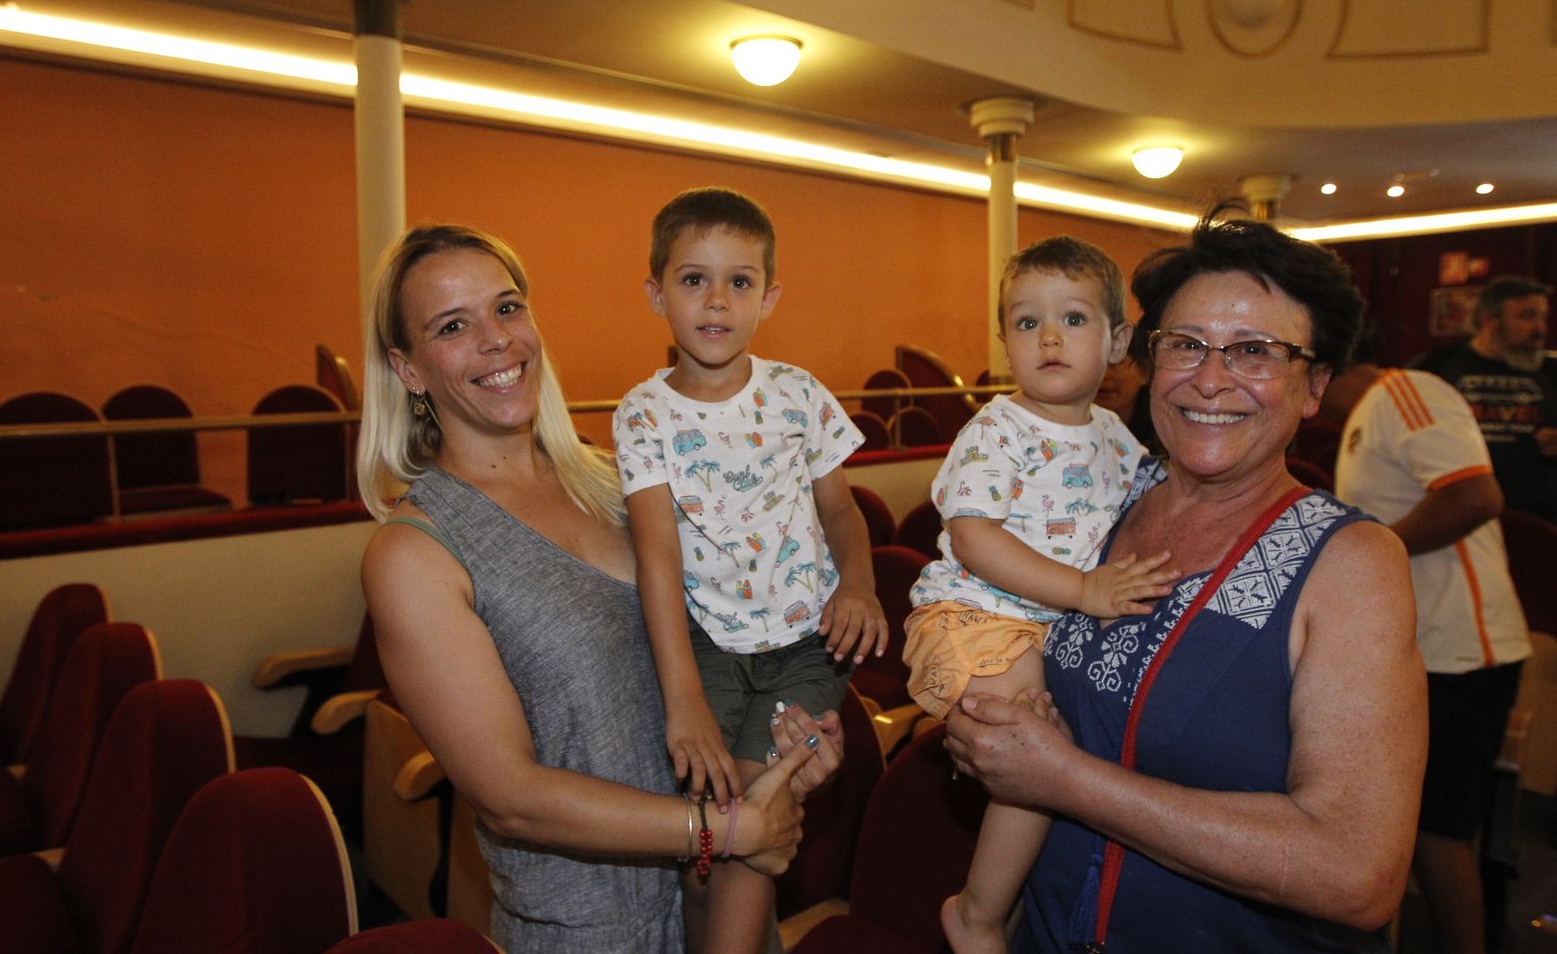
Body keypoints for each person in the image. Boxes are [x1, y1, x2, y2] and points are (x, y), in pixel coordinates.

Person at [945, 211, 1428, 953]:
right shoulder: (1102, 496)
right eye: (1186, 344)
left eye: (1256, 351)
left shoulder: (1350, 562)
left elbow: (1356, 871)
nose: (1209, 377)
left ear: (1314, 385)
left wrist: (1063, 778)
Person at [357, 224, 834, 954]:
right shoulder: (415, 552)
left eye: (507, 307)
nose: (496, 339)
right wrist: (730, 829)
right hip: (596, 931)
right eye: (453, 326)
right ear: (408, 368)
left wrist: (790, 745)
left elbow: (743, 635)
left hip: (724, 896)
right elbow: (510, 798)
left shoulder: (619, 478)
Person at [612, 187, 888, 954]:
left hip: (805, 642)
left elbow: (841, 512)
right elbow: (657, 558)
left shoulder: (798, 394)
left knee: (748, 815)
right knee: (719, 836)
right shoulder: (641, 413)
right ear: (655, 292)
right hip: (707, 646)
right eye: (693, 278)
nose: (717, 300)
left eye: (740, 281)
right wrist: (683, 700)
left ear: (768, 297)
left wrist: (859, 584)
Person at [900, 236, 1177, 954]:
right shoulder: (998, 428)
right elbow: (974, 538)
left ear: (1119, 340)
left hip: (1047, 626)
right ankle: (978, 913)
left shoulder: (1117, 438)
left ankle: (1017, 908)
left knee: (1061, 749)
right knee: (1032, 738)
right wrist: (1086, 589)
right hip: (975, 614)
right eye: (1027, 323)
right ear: (1005, 340)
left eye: (1074, 319)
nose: (1049, 337)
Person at [1335, 359, 1530, 954]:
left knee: (1437, 835)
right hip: (1422, 649)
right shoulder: (1361, 420)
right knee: (1414, 829)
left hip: (1464, 652)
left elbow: (1475, 494)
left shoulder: (1406, 390)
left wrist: (1373, 550)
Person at [1412, 275, 1557, 521]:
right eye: (1527, 317)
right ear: (1489, 320)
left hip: (1538, 523)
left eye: (1543, 317)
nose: (1540, 329)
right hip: (1455, 519)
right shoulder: (1437, 366)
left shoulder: (1552, 372)